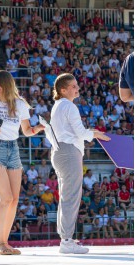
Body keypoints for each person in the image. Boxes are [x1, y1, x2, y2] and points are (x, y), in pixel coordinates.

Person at [0, 70, 45, 255]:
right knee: (6, 198)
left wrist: (39, 128)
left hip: (13, 149)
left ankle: (4, 243)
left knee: (14, 199)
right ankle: (0, 244)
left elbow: (27, 131)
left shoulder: (20, 104)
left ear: (7, 84)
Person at [50, 73, 110, 254]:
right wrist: (95, 134)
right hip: (68, 152)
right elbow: (81, 133)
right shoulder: (69, 106)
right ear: (63, 90)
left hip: (60, 152)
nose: (77, 89)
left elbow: (78, 132)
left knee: (66, 196)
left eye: (77, 85)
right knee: (71, 196)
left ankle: (65, 238)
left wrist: (91, 132)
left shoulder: (58, 106)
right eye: (73, 86)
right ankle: (67, 241)